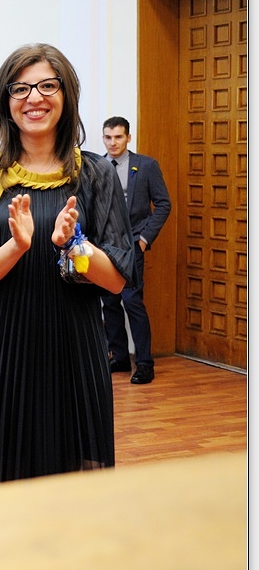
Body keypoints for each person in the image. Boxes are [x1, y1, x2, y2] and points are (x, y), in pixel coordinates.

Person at [0, 42, 131, 484]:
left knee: (70, 491)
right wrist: (16, 247)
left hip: (72, 349)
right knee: (6, 488)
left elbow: (118, 280)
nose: (34, 98)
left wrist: (74, 246)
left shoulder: (95, 174)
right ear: (5, 101)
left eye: (48, 86)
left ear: (67, 96)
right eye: (21, 88)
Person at [100, 116, 171, 385]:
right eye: (108, 137)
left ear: (128, 137)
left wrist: (144, 238)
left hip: (132, 245)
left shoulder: (146, 165)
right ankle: (118, 356)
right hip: (105, 246)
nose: (113, 142)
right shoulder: (98, 166)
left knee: (132, 301)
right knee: (109, 302)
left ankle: (144, 363)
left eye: (118, 137)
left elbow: (163, 204)